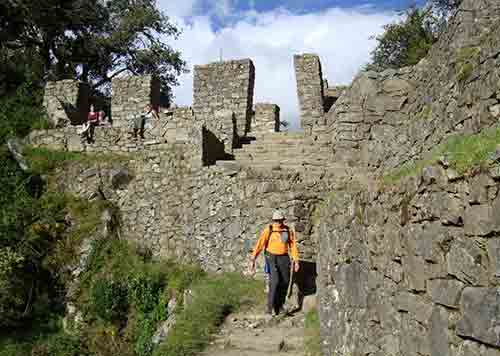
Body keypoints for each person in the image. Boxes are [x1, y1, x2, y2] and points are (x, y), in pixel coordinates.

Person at [250, 210, 300, 316]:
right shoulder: (269, 230)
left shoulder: (288, 230)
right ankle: (270, 308)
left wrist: (296, 261)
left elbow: (293, 246)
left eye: (280, 220)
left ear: (283, 220)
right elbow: (260, 244)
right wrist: (253, 259)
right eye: (276, 220)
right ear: (273, 220)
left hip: (284, 257)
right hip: (271, 256)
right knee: (275, 281)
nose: (278, 222)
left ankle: (279, 306)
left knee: (285, 281)